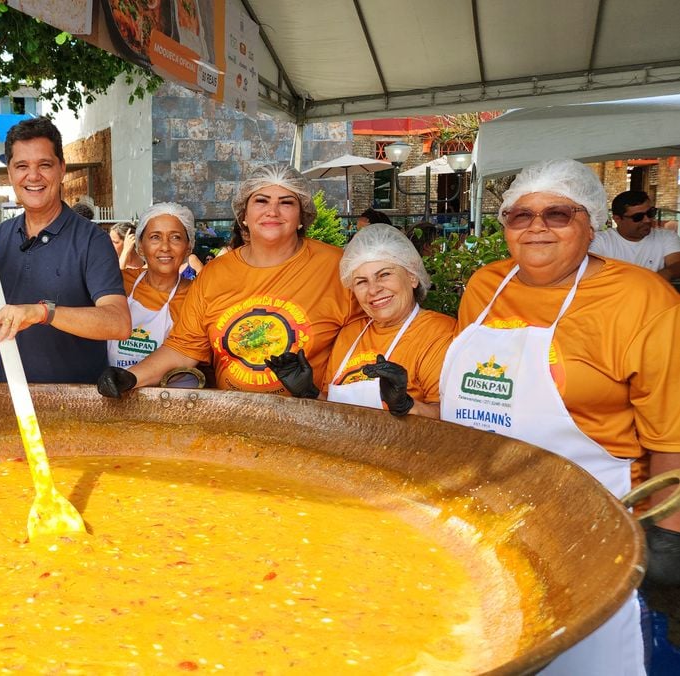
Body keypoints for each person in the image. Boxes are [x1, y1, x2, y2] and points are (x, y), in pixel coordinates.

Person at [440, 159, 680, 675]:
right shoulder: (486, 285)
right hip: (485, 511)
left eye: (558, 213)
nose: (537, 227)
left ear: (591, 223)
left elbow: (671, 434)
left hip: (598, 517)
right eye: (519, 216)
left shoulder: (643, 299)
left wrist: (665, 531)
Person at [98, 164, 362, 397]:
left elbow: (373, 335)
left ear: (302, 216)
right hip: (233, 419)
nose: (272, 211)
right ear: (243, 215)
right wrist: (131, 377)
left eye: (286, 202)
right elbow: (183, 349)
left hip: (313, 422)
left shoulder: (337, 267)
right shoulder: (215, 274)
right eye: (261, 201)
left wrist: (314, 395)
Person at [0, 116, 130, 384]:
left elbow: (119, 323)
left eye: (45, 165)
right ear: (11, 174)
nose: (33, 176)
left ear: (62, 169)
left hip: (79, 403)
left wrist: (42, 312)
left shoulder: (92, 240)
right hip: (14, 400)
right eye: (22, 166)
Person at [269, 224, 453, 417]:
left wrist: (406, 406)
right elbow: (337, 413)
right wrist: (310, 394)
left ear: (412, 277)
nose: (373, 290)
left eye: (384, 275)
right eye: (361, 281)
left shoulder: (441, 333)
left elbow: (453, 420)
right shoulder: (351, 333)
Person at [107, 203, 195, 371]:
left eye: (176, 237)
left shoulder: (195, 296)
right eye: (155, 237)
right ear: (140, 246)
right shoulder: (120, 283)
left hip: (165, 394)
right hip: (110, 390)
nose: (165, 247)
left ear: (188, 247)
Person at [590, 190, 680, 281]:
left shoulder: (666, 236)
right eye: (638, 217)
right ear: (617, 219)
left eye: (650, 213)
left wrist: (661, 276)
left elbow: (676, 264)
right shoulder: (599, 240)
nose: (647, 220)